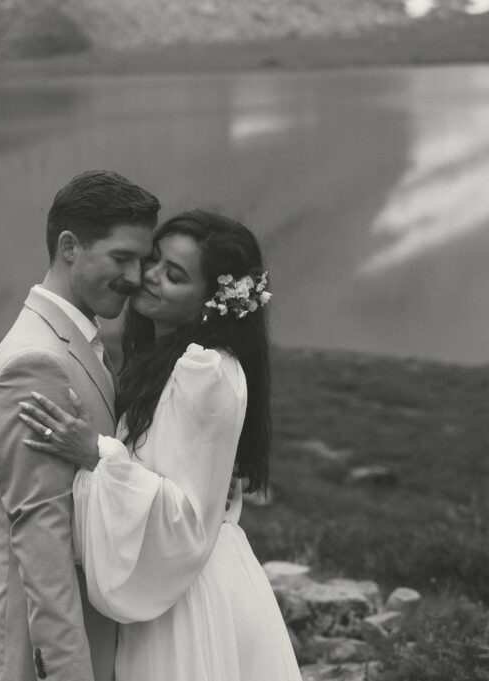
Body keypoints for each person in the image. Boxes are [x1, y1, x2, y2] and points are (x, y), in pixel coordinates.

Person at [18, 210, 302, 680]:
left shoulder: (204, 372)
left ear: (209, 301)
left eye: (174, 276)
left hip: (187, 597)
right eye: (153, 261)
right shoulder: (164, 360)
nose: (148, 278)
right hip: (175, 584)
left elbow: (184, 518)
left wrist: (96, 454)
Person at [0, 169, 160, 681]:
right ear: (70, 246)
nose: (137, 278)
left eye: (143, 261)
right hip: (46, 652)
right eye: (122, 258)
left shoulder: (72, 342)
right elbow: (41, 540)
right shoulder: (35, 364)